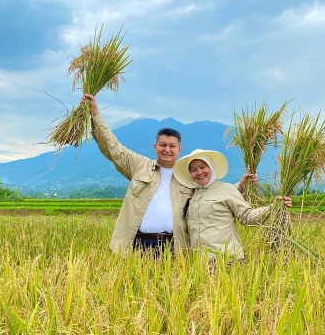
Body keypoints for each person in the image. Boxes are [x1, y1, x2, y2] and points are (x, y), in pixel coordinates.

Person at [80, 94, 256, 256]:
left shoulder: (188, 177)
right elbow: (113, 148)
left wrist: (238, 186)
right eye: (162, 145)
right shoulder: (140, 166)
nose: (167, 149)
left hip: (174, 246)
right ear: (154, 147)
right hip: (138, 243)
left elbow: (210, 196)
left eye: (172, 146)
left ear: (179, 150)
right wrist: (95, 114)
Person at [173, 149, 292, 261]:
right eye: (193, 170)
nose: (199, 172)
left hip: (227, 261)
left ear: (212, 168)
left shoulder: (227, 189)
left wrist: (273, 207)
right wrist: (240, 186)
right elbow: (214, 198)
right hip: (199, 263)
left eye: (203, 167)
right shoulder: (193, 196)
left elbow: (247, 217)